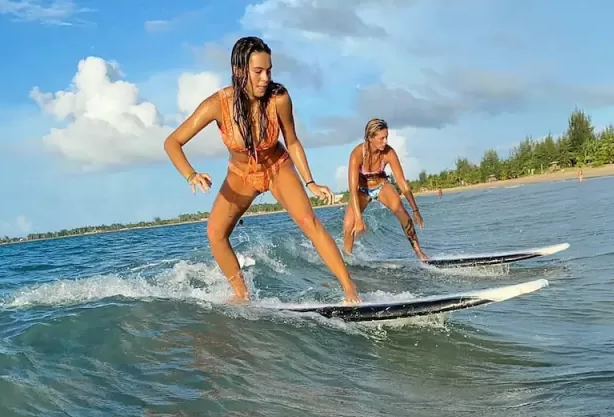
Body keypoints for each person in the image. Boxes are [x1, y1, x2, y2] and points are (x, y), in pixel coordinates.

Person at [163, 36, 360, 303]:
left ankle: (351, 292)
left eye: (269, 70)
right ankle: (242, 296)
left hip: (277, 167)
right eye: (258, 71)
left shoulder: (278, 98)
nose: (265, 78)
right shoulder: (218, 105)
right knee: (215, 233)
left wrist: (310, 181)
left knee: (309, 222)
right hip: (241, 176)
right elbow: (172, 142)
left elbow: (291, 140)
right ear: (239, 70)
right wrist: (191, 174)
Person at [342, 118, 429, 261]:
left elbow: (402, 182)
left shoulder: (389, 153)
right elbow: (352, 189)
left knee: (402, 213)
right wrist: (358, 218)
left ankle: (419, 253)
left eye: (386, 137)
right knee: (348, 225)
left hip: (381, 186)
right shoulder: (357, 154)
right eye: (382, 138)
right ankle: (347, 259)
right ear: (370, 137)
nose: (385, 141)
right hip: (362, 190)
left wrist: (415, 210)